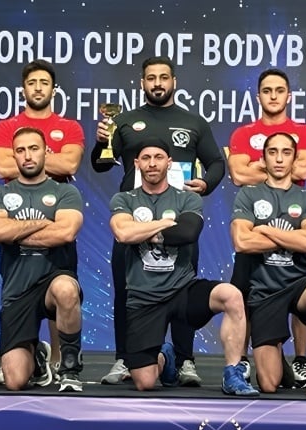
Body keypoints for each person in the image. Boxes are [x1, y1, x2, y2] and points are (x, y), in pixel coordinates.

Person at [92, 56, 225, 386]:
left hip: (178, 220)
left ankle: (185, 360)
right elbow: (100, 163)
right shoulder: (124, 121)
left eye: (164, 77)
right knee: (125, 289)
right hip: (133, 218)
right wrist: (100, 143)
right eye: (151, 78)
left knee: (183, 287)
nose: (157, 83)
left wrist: (206, 183)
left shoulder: (193, 122)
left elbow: (217, 163)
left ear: (174, 82)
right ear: (142, 83)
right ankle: (125, 358)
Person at [109, 137, 257, 397]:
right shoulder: (124, 198)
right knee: (144, 382)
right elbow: (123, 233)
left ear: (169, 162)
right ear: (136, 163)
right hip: (143, 298)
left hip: (183, 290)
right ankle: (165, 358)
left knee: (232, 295)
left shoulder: (188, 199)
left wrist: (141, 229)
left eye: (158, 157)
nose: (152, 163)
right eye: (146, 158)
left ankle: (232, 373)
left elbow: (187, 233)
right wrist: (165, 224)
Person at [0, 59, 84, 384]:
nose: (38, 88)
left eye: (44, 82)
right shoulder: (6, 127)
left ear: (53, 89)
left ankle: (62, 362)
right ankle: (34, 355)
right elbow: (3, 168)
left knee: (63, 290)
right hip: (18, 260)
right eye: (32, 83)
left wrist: (15, 233)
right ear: (23, 89)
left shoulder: (69, 127)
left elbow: (71, 165)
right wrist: (43, 224)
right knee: (15, 381)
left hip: (55, 238)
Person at [227, 68, 306, 388]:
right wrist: (272, 172)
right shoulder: (243, 134)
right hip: (254, 219)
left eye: (279, 90)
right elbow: (238, 175)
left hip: (293, 220)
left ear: (289, 96)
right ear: (258, 96)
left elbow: (302, 170)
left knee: (301, 290)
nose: (273, 96)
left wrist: (258, 165)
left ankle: (302, 359)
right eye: (267, 91)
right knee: (243, 293)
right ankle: (241, 360)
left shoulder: (303, 132)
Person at [231, 132, 306, 396]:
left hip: (300, 281)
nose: (279, 159)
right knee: (269, 384)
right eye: (273, 152)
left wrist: (264, 229)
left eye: (286, 153)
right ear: (263, 159)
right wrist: (292, 237)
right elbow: (242, 242)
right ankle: (280, 361)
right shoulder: (248, 194)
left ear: (295, 159)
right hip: (265, 289)